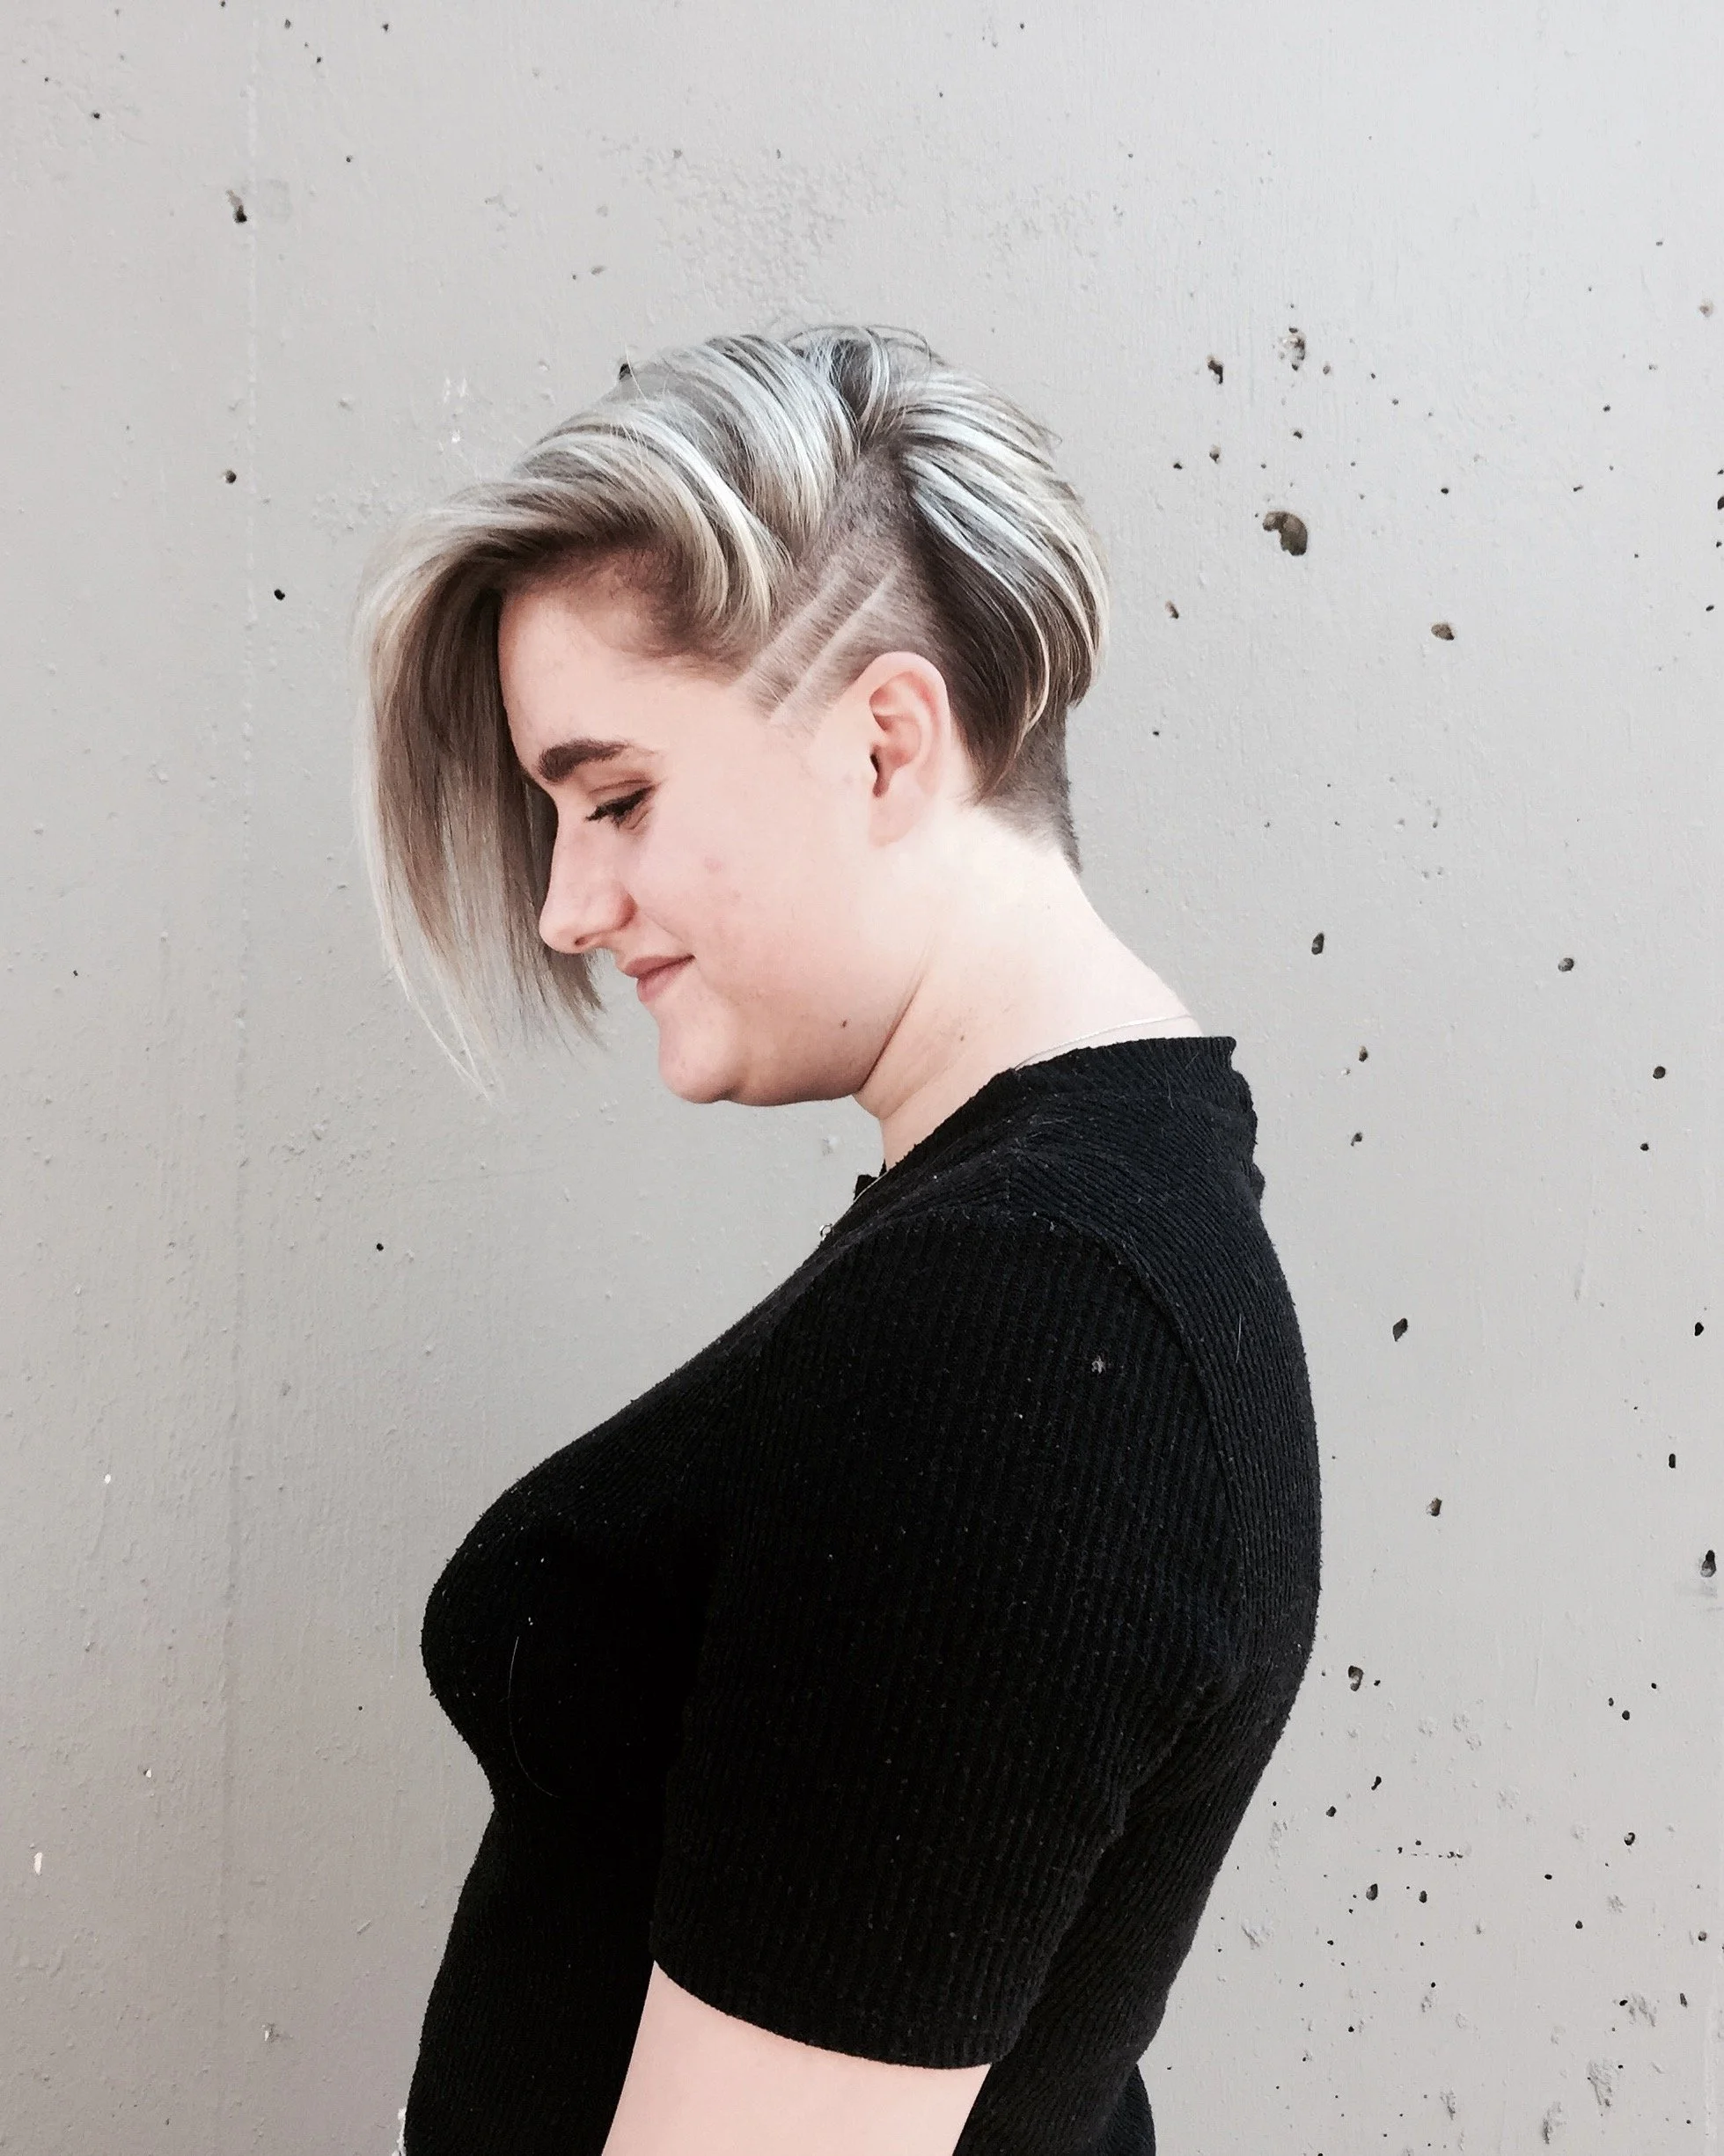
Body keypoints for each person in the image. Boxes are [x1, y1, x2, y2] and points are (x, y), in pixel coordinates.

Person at [354, 323, 1321, 2156]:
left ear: (883, 741)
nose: (567, 905)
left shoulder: (1030, 1326)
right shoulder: (1041, 1248)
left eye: (615, 795)